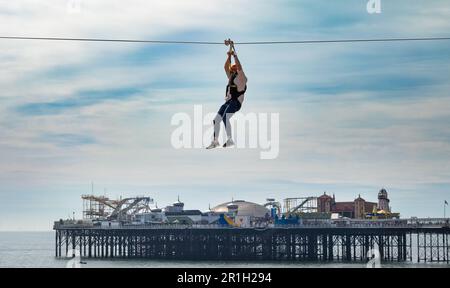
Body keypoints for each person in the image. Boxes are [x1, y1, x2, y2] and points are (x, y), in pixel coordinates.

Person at [206, 41, 248, 149]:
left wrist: (234, 55)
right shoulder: (232, 77)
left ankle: (230, 140)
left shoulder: (241, 78)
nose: (231, 71)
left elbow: (239, 66)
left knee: (225, 116)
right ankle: (215, 141)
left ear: (237, 71)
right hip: (228, 102)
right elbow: (225, 67)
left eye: (233, 70)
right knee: (216, 120)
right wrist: (229, 55)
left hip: (235, 103)